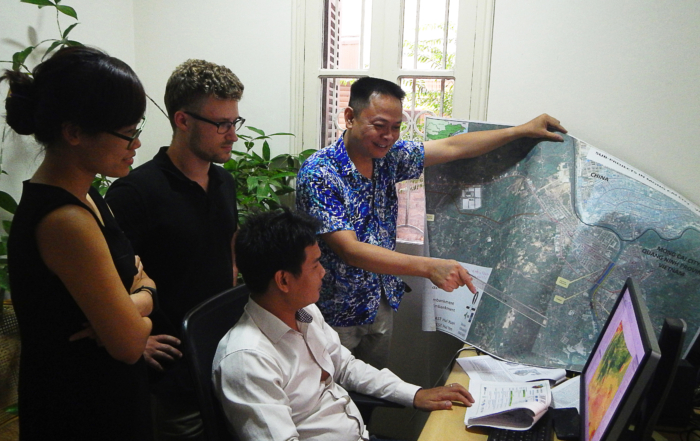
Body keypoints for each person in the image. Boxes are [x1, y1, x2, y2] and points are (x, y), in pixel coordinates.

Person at [296, 77, 567, 369]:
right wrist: (429, 267)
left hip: (379, 303)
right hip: (334, 312)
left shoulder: (389, 158)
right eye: (379, 125)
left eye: (396, 127)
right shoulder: (320, 173)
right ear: (350, 117)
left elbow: (453, 147)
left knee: (372, 388)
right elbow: (350, 250)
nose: (388, 136)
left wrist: (521, 130)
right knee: (328, 391)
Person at [213, 208, 474, 441]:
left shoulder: (304, 312)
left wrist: (414, 394)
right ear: (283, 280)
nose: (323, 272)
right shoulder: (248, 361)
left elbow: (345, 366)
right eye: (315, 265)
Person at [4, 46, 154, 440]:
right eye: (127, 132)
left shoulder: (88, 195)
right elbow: (129, 343)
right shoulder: (65, 221)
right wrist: (139, 303)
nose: (136, 144)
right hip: (80, 410)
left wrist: (138, 300)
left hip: (107, 396)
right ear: (73, 132)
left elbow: (143, 282)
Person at [105, 59, 242, 440]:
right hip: (170, 373)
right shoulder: (135, 193)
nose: (232, 135)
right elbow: (106, 283)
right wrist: (137, 341)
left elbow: (228, 252)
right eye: (222, 124)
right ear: (182, 120)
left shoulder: (225, 183)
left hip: (221, 357)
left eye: (235, 122)